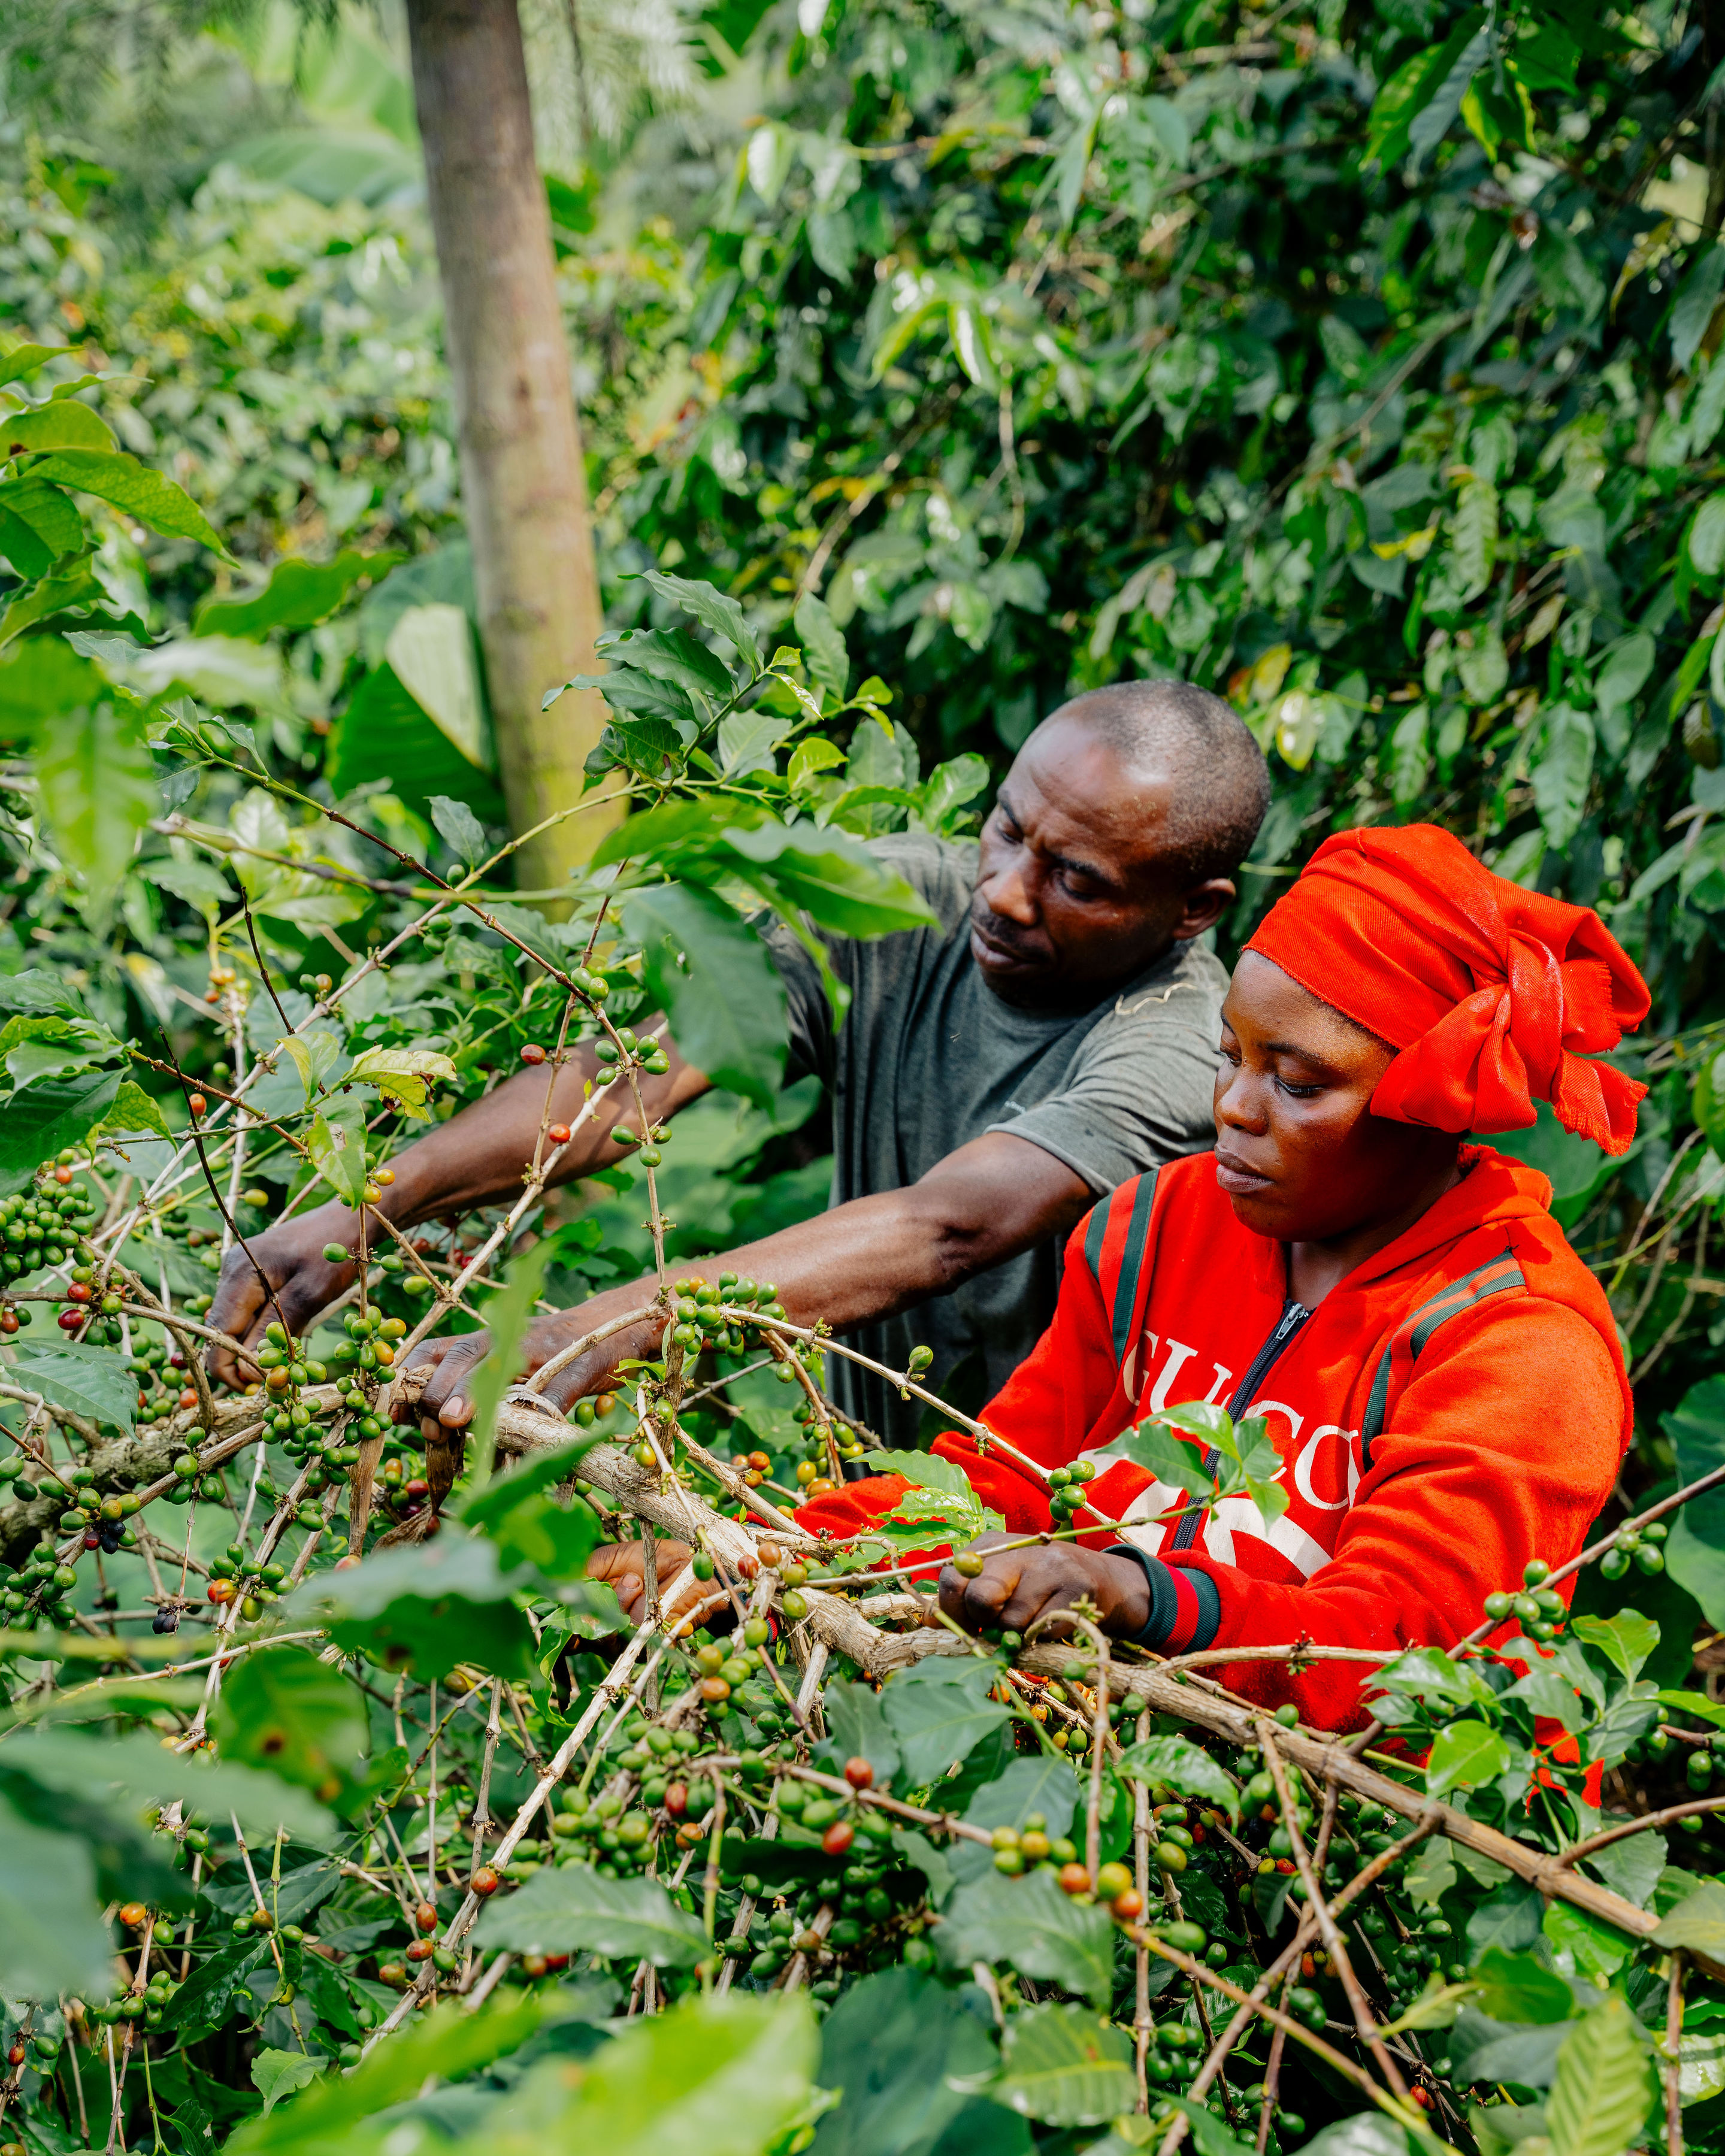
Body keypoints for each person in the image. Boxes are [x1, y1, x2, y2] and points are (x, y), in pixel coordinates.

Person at [210, 683, 1270, 1455]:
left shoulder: (1181, 1055)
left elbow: (952, 1226)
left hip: (1045, 1524)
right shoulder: (889, 905)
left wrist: (594, 1330)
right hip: (855, 1477)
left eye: (1074, 878)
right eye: (1006, 829)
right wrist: (376, 1201)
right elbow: (633, 1079)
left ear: (1192, 911)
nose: (1003, 890)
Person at [778, 823, 1648, 1730]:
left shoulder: (1520, 1344)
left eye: (1298, 1084)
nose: (1232, 1107)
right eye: (1230, 1054)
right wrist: (774, 1554)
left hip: (1351, 1842)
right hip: (1114, 1750)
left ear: (1431, 1106)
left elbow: (1405, 1654)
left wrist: (1137, 1592)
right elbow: (1006, 1478)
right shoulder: (1159, 1223)